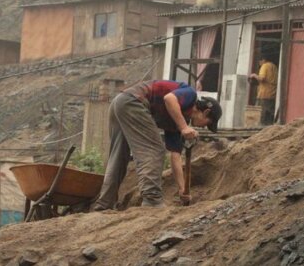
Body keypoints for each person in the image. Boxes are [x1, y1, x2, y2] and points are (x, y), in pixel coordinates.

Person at [93, 80, 222, 210]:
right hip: (133, 102)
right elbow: (169, 98)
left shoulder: (176, 121)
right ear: (205, 112)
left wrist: (182, 188)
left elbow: (175, 156)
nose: (203, 127)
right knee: (154, 150)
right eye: (206, 123)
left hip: (121, 102)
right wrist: (184, 127)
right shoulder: (190, 94)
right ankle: (152, 200)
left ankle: (105, 203)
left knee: (119, 156)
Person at [249, 55, 278, 126]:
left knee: (261, 116)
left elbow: (262, 78)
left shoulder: (265, 66)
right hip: (272, 94)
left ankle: (260, 130)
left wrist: (253, 75)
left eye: (260, 61)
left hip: (264, 95)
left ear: (263, 60)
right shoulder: (274, 66)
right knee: (270, 115)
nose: (259, 64)